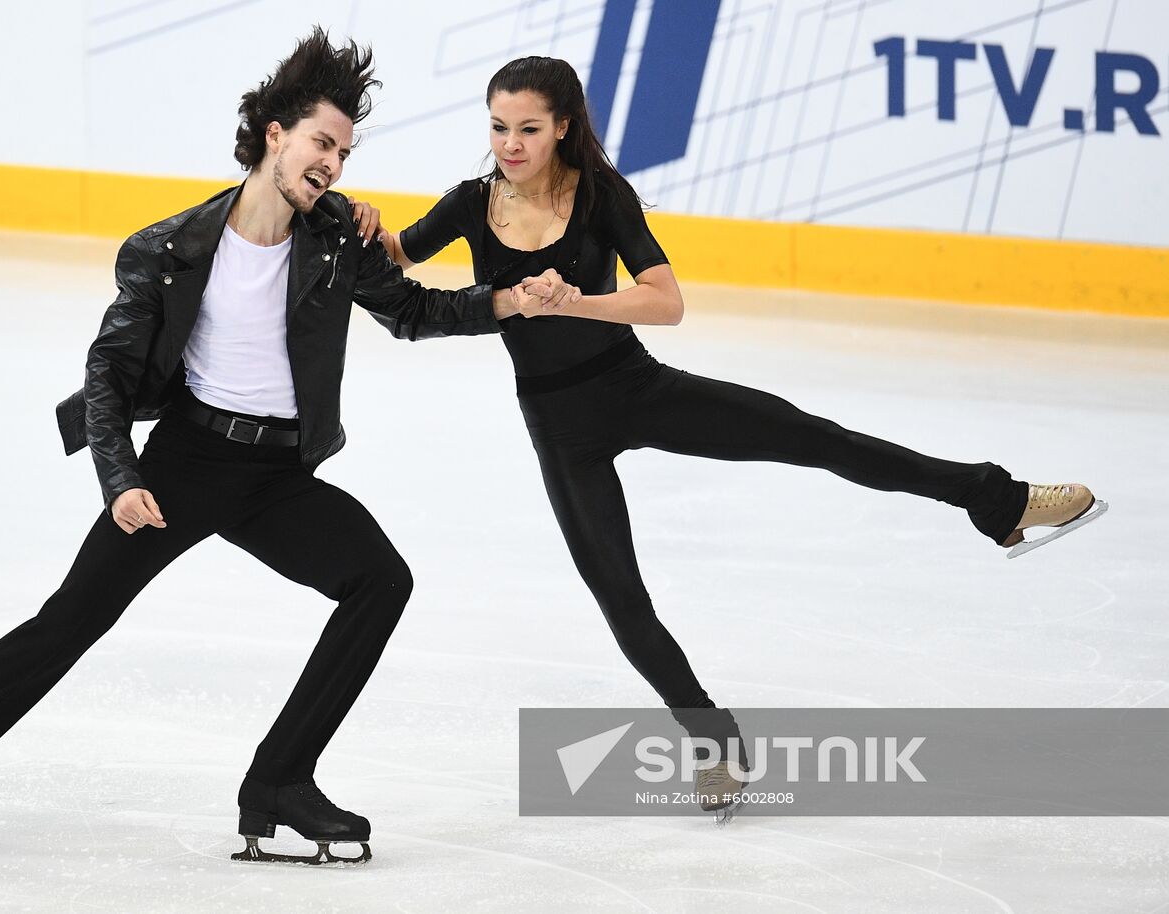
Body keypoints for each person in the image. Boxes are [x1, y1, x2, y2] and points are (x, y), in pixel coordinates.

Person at [351, 55, 1106, 820]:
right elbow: (394, 264)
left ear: (564, 128)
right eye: (499, 127)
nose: (510, 144)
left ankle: (998, 500)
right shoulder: (472, 203)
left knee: (821, 439)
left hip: (637, 389)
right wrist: (371, 230)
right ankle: (713, 742)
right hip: (558, 425)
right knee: (620, 599)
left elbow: (666, 302)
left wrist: (574, 302)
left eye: (528, 129)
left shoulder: (602, 196)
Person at [0, 29, 522, 865]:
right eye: (321, 143)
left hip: (277, 474)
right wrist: (119, 480)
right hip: (184, 465)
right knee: (64, 625)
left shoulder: (338, 236)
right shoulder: (169, 249)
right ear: (275, 134)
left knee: (380, 580)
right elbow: (108, 377)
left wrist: (514, 299)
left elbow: (415, 311)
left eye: (343, 151)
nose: (333, 164)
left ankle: (280, 781)